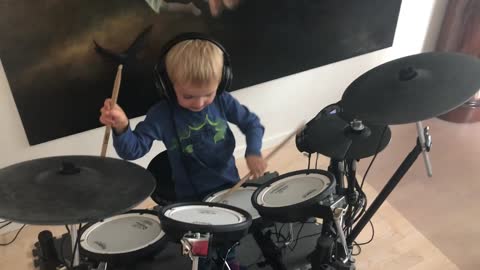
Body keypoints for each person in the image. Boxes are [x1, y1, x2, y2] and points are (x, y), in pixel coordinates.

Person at [99, 32, 267, 202]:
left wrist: (253, 151)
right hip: (190, 199)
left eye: (208, 94)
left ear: (221, 82)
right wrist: (121, 126)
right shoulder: (162, 114)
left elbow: (252, 124)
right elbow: (132, 150)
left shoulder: (222, 100)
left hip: (230, 187)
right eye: (188, 96)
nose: (199, 103)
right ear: (169, 87)